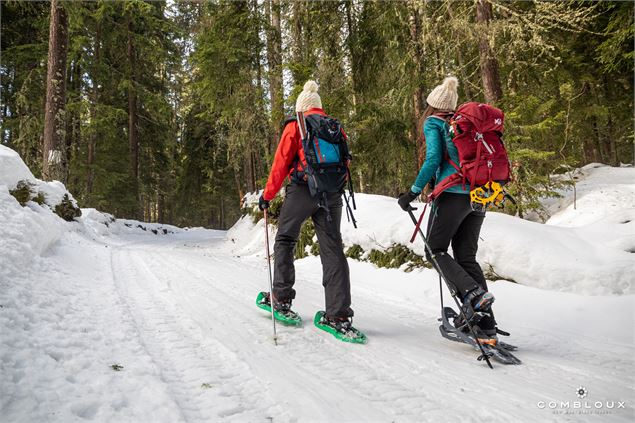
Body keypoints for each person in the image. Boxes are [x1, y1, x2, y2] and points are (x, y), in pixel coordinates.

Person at [397, 76, 498, 344]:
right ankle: (486, 324)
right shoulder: (467, 126)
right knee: (466, 257)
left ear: (432, 105)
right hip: (480, 195)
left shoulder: (435, 123)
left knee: (435, 250)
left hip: (452, 195)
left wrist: (413, 192)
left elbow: (432, 159)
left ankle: (472, 294)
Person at [258, 80, 355, 333]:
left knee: (285, 239)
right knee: (333, 249)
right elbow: (345, 163)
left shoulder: (296, 126)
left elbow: (280, 164)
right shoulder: (336, 128)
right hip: (331, 194)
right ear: (320, 107)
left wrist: (267, 196)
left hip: (302, 190)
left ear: (301, 107)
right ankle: (338, 315)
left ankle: (280, 298)